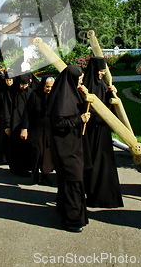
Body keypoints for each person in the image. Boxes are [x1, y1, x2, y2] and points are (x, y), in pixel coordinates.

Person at [47, 65, 91, 233]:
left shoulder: (73, 94)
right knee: (72, 181)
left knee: (73, 181)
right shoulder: (61, 97)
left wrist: (85, 96)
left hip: (74, 145)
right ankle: (72, 220)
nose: (80, 83)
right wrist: (79, 119)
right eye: (79, 80)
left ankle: (71, 214)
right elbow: (58, 123)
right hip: (65, 148)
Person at [83, 56, 123, 208]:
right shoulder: (84, 87)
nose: (101, 74)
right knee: (92, 165)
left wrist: (113, 94)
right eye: (99, 71)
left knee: (105, 165)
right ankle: (92, 195)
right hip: (91, 132)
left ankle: (106, 197)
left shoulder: (104, 86)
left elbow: (111, 108)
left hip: (103, 131)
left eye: (103, 71)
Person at [25, 76, 55, 184]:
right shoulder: (35, 95)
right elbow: (27, 112)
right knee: (36, 152)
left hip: (49, 130)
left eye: (51, 87)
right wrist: (24, 128)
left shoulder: (54, 96)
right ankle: (35, 174)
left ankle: (45, 175)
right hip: (36, 129)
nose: (49, 89)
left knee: (47, 154)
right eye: (47, 87)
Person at [7, 73, 33, 176]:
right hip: (14, 123)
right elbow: (7, 108)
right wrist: (7, 125)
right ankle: (16, 168)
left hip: (26, 124)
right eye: (21, 84)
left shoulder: (31, 93)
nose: (23, 87)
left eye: (25, 84)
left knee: (26, 147)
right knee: (15, 147)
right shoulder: (12, 93)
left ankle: (26, 168)